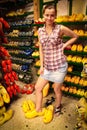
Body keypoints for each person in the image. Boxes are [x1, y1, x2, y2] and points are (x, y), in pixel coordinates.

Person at [34, 4, 78, 116]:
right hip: (48, 67)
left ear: (55, 16)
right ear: (43, 15)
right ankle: (38, 109)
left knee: (56, 89)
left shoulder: (60, 28)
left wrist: (64, 45)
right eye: (47, 15)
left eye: (52, 15)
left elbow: (75, 36)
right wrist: (42, 66)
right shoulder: (40, 31)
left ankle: (58, 106)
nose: (49, 18)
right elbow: (41, 49)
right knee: (38, 88)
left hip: (59, 66)